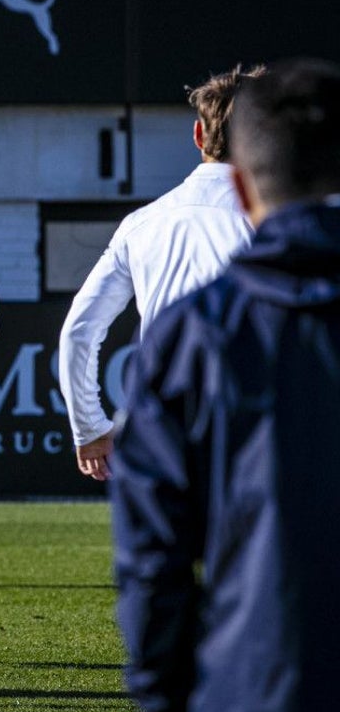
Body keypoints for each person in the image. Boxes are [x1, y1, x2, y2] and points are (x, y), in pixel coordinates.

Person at [111, 57, 340, 712]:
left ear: (238, 183)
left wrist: (169, 706)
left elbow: (154, 557)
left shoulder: (191, 335)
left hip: (255, 704)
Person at [59, 65, 266, 482]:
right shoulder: (273, 223)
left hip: (158, 432)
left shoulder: (141, 223)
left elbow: (78, 331)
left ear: (197, 135)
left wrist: (89, 428)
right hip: (250, 431)